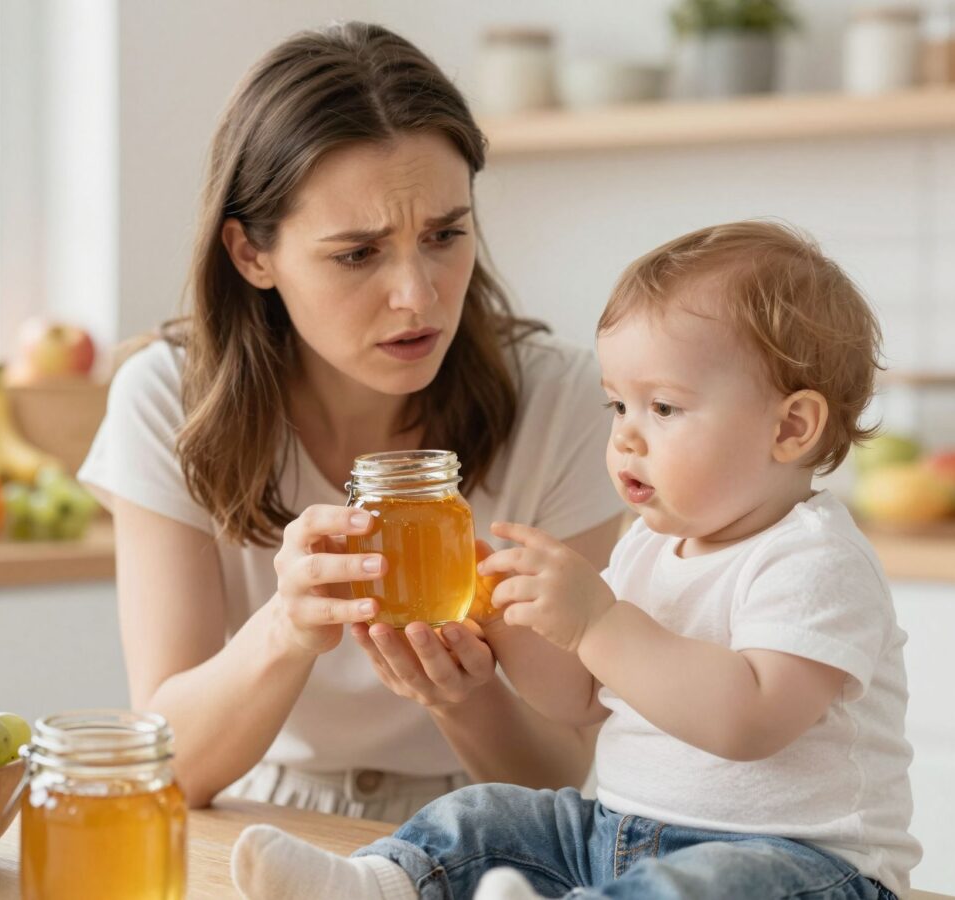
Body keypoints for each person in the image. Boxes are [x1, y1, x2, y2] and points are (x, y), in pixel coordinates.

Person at [229, 220, 923, 899]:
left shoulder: (814, 560)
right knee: (490, 816)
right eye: (618, 405)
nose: (626, 438)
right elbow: (581, 695)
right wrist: (505, 615)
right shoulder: (650, 544)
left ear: (790, 427)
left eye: (664, 408)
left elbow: (748, 721)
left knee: (710, 886)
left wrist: (596, 622)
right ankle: (374, 885)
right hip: (618, 835)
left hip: (799, 868)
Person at [77, 20, 622, 824]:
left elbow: (561, 776)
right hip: (254, 818)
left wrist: (461, 699)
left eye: (444, 235)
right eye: (358, 254)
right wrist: (287, 629)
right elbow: (169, 767)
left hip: (482, 821)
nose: (420, 294)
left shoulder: (561, 400)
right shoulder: (166, 398)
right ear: (251, 254)